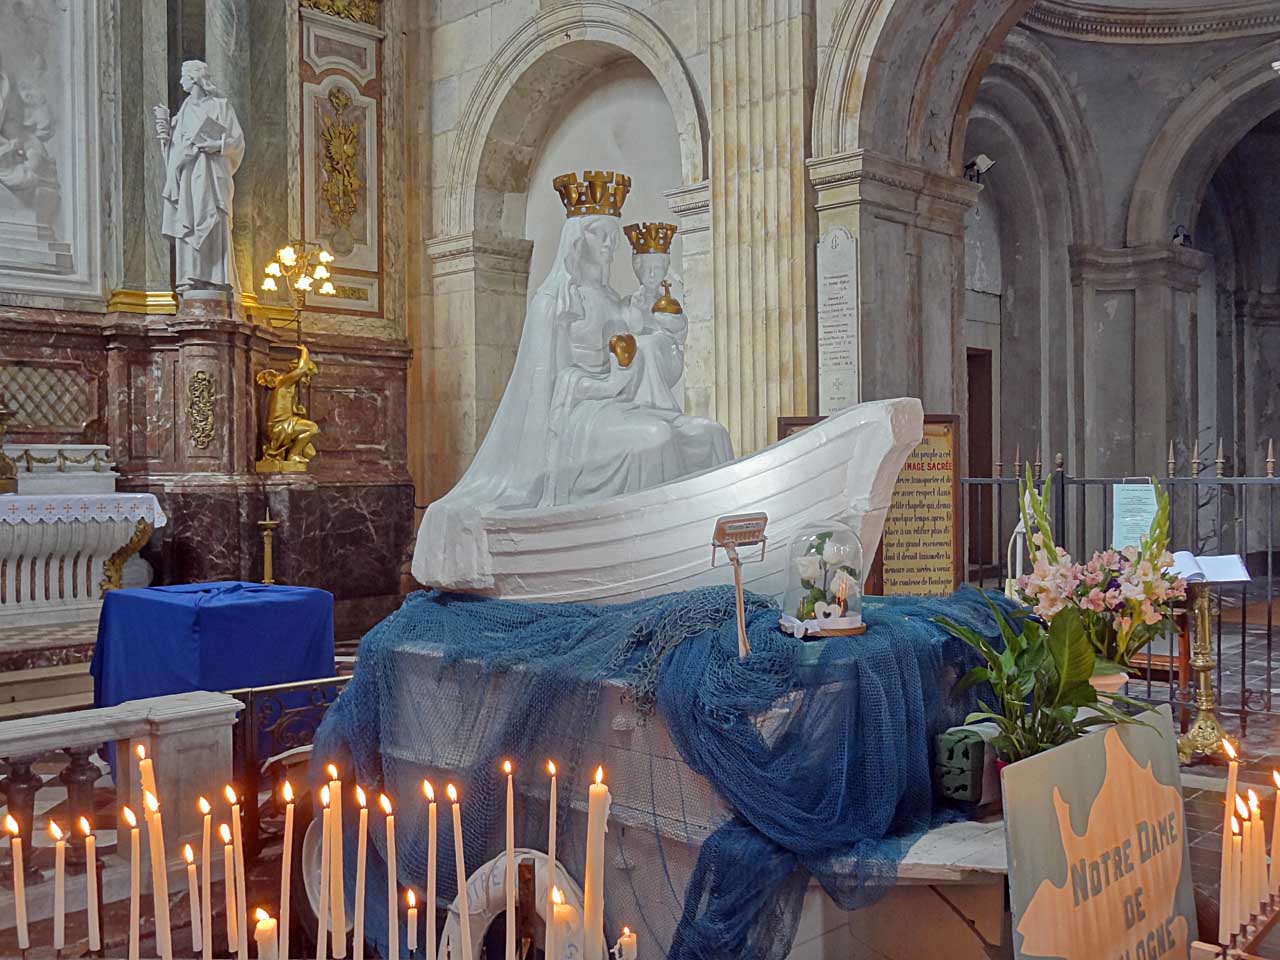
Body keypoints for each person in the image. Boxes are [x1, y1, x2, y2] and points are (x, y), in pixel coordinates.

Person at [153, 60, 244, 293]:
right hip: (189, 176)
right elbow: (175, 150)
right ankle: (191, 276)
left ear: (194, 78)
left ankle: (217, 278)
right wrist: (166, 138)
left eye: (184, 76)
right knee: (190, 222)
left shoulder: (221, 106)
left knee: (215, 221)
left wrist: (216, 145)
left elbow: (237, 142)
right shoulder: (183, 111)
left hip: (213, 174)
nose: (181, 80)